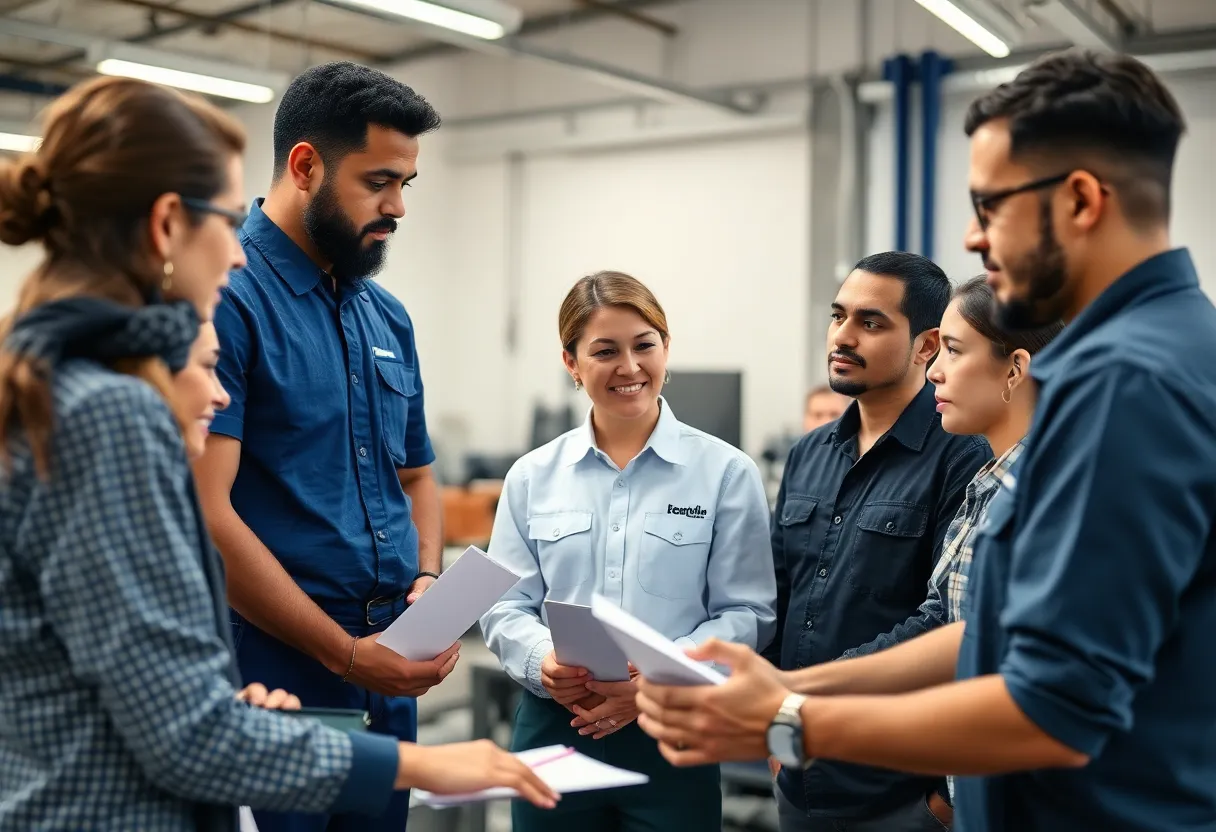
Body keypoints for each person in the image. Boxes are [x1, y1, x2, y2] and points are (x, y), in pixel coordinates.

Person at [631, 47, 1216, 832]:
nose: (974, 239)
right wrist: (796, 690)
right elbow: (977, 630)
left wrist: (791, 723)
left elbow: (1055, 705)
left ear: (1080, 199)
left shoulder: (1125, 384)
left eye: (991, 206)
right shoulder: (1177, 347)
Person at [0, 76, 556, 832]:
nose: (237, 253)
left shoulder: (60, 383)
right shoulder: (110, 411)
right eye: (227, 222)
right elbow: (181, 733)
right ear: (168, 226)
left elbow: (117, 668)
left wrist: (222, 705)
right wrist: (423, 764)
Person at [193, 62, 454, 832]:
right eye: (379, 181)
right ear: (304, 166)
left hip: (385, 665)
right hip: (277, 669)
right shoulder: (229, 299)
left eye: (407, 183)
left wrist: (430, 580)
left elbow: (419, 474)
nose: (398, 207)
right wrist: (343, 654)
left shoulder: (386, 316)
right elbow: (210, 512)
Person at [479, 270, 777, 832]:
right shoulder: (532, 477)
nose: (630, 367)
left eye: (645, 345)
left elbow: (748, 613)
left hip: (674, 730)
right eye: (605, 351)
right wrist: (543, 661)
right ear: (571, 362)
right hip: (557, 726)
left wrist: (657, 679)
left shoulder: (726, 473)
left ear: (667, 347)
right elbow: (504, 606)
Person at [764, 251, 990, 832]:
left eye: (871, 323)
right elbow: (779, 595)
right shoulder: (809, 453)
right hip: (802, 774)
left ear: (926, 345)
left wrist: (938, 803)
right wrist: (774, 724)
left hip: (902, 789)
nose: (843, 336)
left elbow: (950, 622)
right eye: (839, 317)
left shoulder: (961, 455)